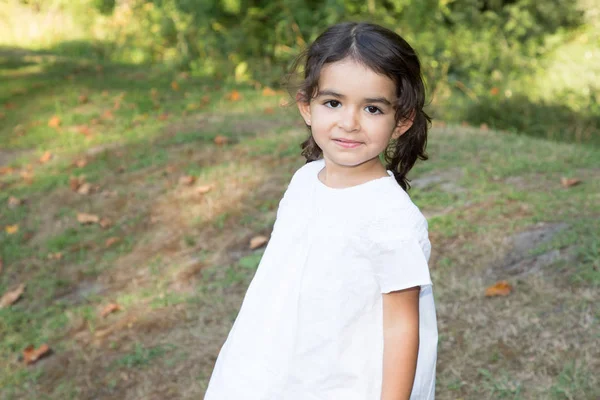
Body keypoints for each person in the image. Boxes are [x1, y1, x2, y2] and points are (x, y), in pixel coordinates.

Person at [204, 21, 437, 400]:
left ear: (402, 121)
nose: (349, 122)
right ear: (306, 107)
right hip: (281, 363)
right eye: (333, 103)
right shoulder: (305, 181)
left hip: (344, 379)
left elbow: (401, 326)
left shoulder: (390, 217)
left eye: (373, 108)